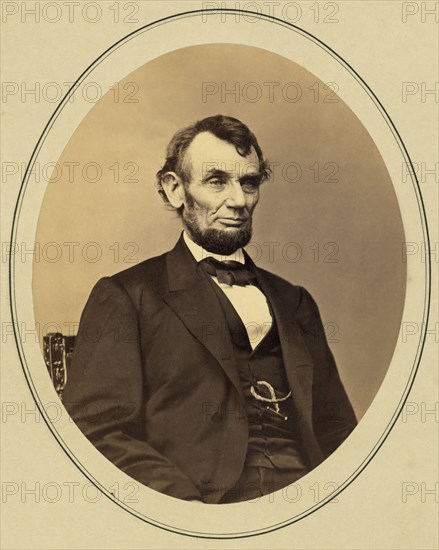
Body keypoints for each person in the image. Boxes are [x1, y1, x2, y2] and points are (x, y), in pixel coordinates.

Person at [63, 114, 357, 504]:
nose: (237, 201)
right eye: (217, 181)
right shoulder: (127, 296)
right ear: (174, 190)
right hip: (202, 503)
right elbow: (97, 430)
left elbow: (337, 427)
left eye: (248, 182)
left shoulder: (295, 300)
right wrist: (185, 509)